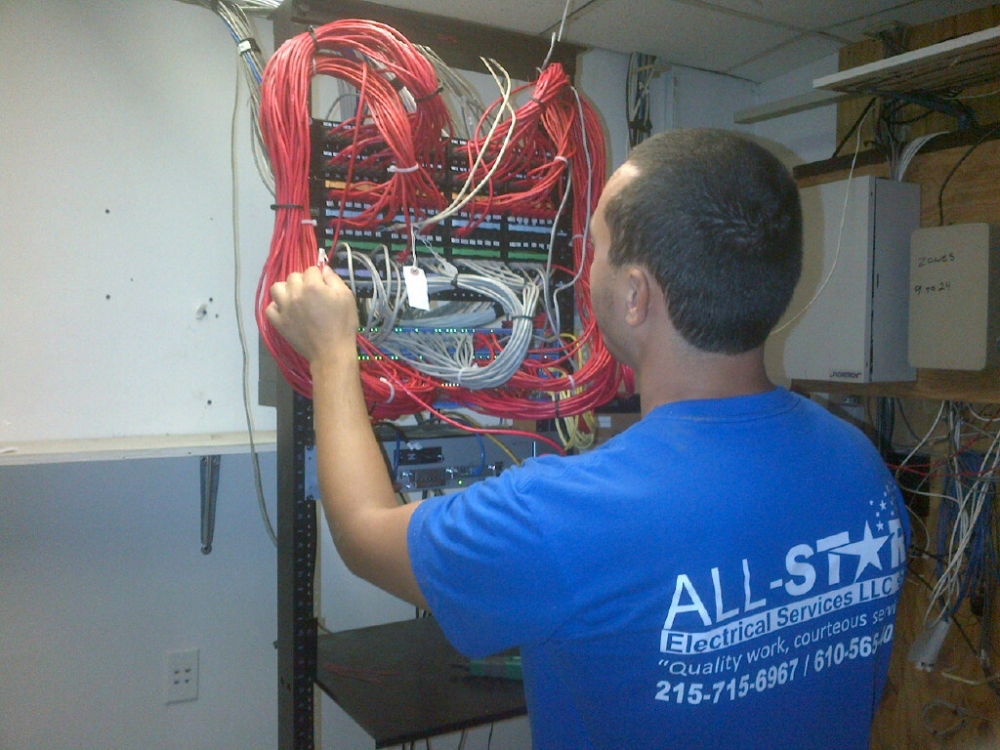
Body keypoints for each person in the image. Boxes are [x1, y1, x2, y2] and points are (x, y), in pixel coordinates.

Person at [266, 128, 909, 750]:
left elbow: (360, 531)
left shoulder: (569, 515)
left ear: (635, 296)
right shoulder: (859, 465)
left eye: (595, 244)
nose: (584, 262)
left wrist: (330, 352)